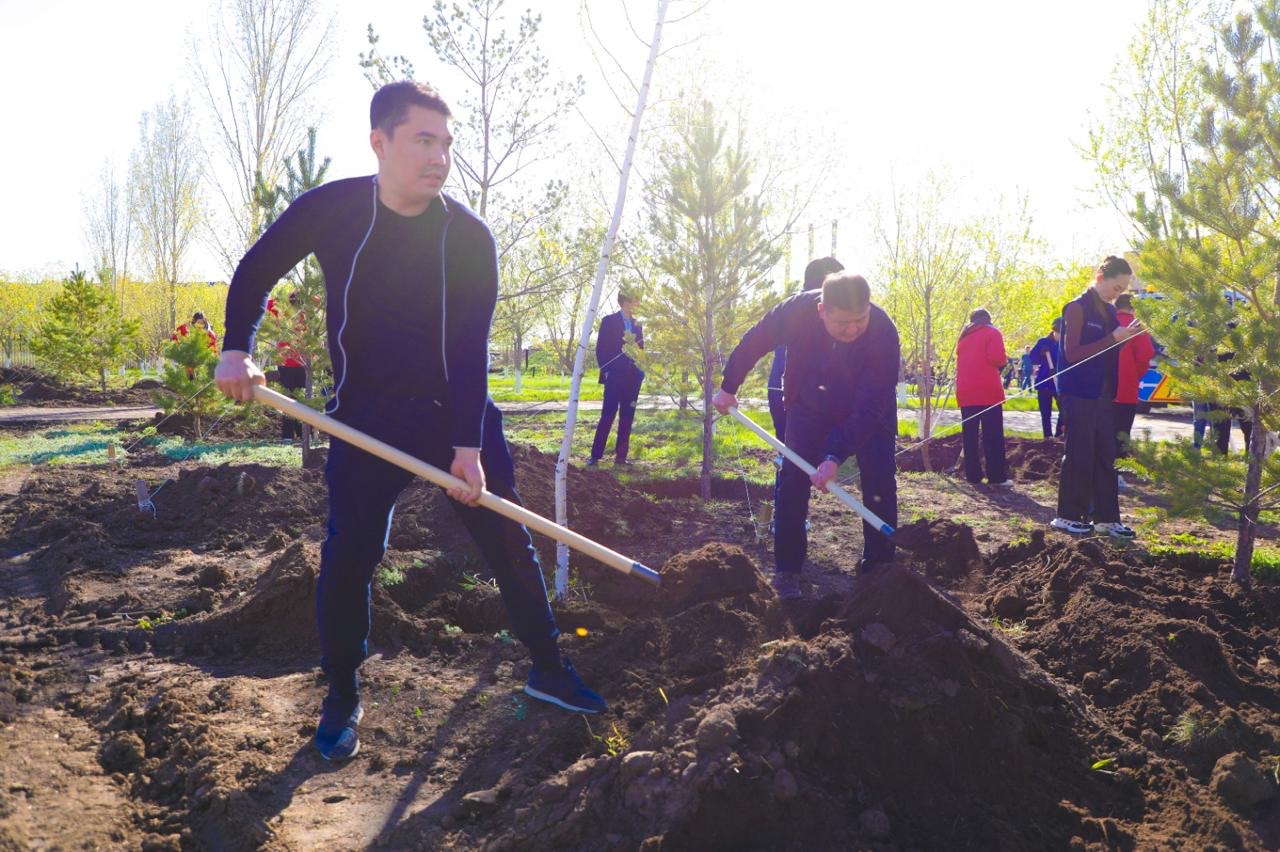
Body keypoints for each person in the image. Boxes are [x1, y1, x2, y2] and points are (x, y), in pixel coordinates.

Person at [215, 81, 605, 763]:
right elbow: (255, 271)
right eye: (424, 140)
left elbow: (469, 346)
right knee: (349, 556)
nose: (440, 157)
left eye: (446, 143)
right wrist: (236, 349)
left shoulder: (468, 237)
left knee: (509, 539)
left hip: (454, 415)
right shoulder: (332, 211)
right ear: (380, 143)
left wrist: (467, 446)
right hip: (362, 423)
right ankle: (341, 695)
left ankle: (548, 669)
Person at [712, 272, 899, 600]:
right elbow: (756, 340)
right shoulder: (795, 312)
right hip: (810, 402)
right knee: (793, 478)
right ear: (822, 310)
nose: (853, 329)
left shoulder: (883, 331)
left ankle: (879, 568)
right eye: (843, 322)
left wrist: (833, 455)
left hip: (867, 410)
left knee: (880, 479)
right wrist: (729, 387)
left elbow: (870, 407)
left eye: (860, 320)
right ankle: (787, 569)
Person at [1051, 256, 1144, 538]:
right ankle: (1067, 515)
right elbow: (1073, 354)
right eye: (1116, 287)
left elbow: (1107, 351)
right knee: (1080, 454)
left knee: (1107, 455)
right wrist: (1113, 339)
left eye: (1122, 289)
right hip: (1078, 393)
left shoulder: (1110, 312)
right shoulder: (1076, 308)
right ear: (1101, 279)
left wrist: (1125, 338)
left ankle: (1106, 518)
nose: (1118, 294)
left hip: (1104, 396)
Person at [767, 257, 844, 534]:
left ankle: (787, 519)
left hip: (782, 391)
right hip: (791, 394)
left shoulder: (797, 305)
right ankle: (787, 522)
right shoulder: (809, 308)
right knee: (794, 460)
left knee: (791, 457)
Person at [954, 308, 1011, 487]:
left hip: (965, 391)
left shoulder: (963, 336)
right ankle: (996, 476)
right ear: (988, 319)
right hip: (987, 391)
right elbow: (997, 359)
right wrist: (1005, 359)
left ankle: (973, 475)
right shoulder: (992, 332)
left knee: (969, 435)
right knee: (992, 435)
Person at [588, 293, 644, 466]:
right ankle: (595, 456)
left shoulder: (638, 324)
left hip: (633, 378)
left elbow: (641, 350)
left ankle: (621, 457)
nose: (638, 303)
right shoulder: (609, 321)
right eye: (636, 300)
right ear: (626, 302)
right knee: (608, 415)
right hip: (614, 377)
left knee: (627, 417)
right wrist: (606, 371)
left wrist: (641, 372)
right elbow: (601, 349)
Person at [1112, 292, 1155, 487]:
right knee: (1122, 434)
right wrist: (1133, 374)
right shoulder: (1137, 327)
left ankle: (1099, 472)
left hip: (1101, 389)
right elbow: (1145, 354)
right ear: (1132, 307)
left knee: (1102, 431)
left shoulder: (1107, 321)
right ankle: (1116, 474)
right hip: (1126, 390)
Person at [267, 293, 307, 441]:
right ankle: (289, 436)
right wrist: (281, 299)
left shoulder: (305, 316)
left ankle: (301, 434)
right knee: (290, 399)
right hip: (287, 364)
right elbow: (268, 304)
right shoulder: (284, 313)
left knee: (299, 400)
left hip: (302, 365)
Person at [1029, 318, 1064, 438]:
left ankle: (1059, 434)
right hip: (1044, 382)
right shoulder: (1043, 342)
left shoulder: (1066, 343)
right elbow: (1033, 358)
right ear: (1053, 331)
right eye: (1059, 332)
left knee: (1064, 411)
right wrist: (1040, 353)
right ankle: (1047, 437)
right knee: (1045, 413)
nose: (1061, 335)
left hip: (1059, 383)